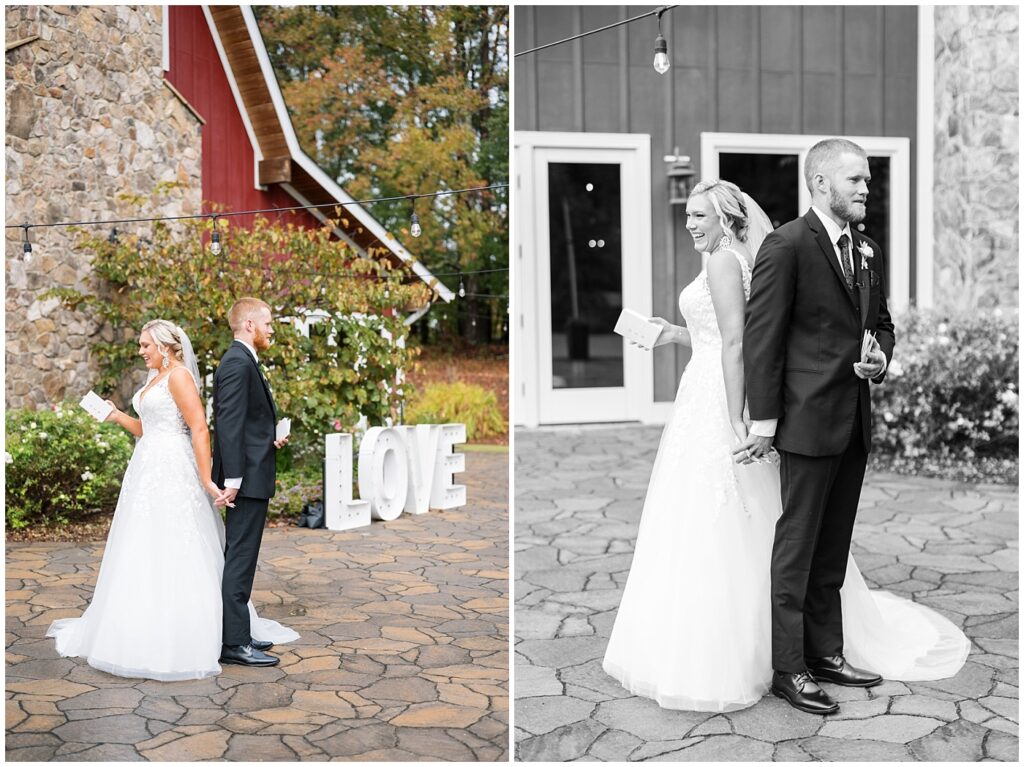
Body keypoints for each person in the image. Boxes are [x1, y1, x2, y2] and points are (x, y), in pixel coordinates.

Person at [602, 173, 969, 713]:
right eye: (686, 216)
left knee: (752, 529)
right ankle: (791, 657)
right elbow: (726, 335)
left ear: (727, 218)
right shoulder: (746, 257)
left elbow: (739, 344)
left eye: (698, 215)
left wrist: (738, 419)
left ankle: (780, 656)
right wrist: (674, 334)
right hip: (713, 389)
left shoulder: (731, 260)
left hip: (725, 401)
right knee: (747, 526)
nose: (689, 224)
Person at [47, 320, 296, 680]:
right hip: (147, 470)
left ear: (165, 346)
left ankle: (207, 633)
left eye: (146, 345)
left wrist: (207, 478)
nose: (141, 350)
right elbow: (149, 428)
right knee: (143, 546)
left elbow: (198, 427)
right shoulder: (154, 379)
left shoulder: (179, 376)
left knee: (183, 546)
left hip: (175, 470)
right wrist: (117, 415)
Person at [212, 298, 289, 667]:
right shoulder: (236, 363)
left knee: (242, 558)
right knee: (240, 560)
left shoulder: (244, 361)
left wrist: (268, 435)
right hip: (244, 481)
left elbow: (245, 422)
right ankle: (233, 644)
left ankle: (239, 632)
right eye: (268, 323)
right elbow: (227, 424)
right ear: (249, 326)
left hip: (252, 472)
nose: (272, 329)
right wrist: (234, 480)